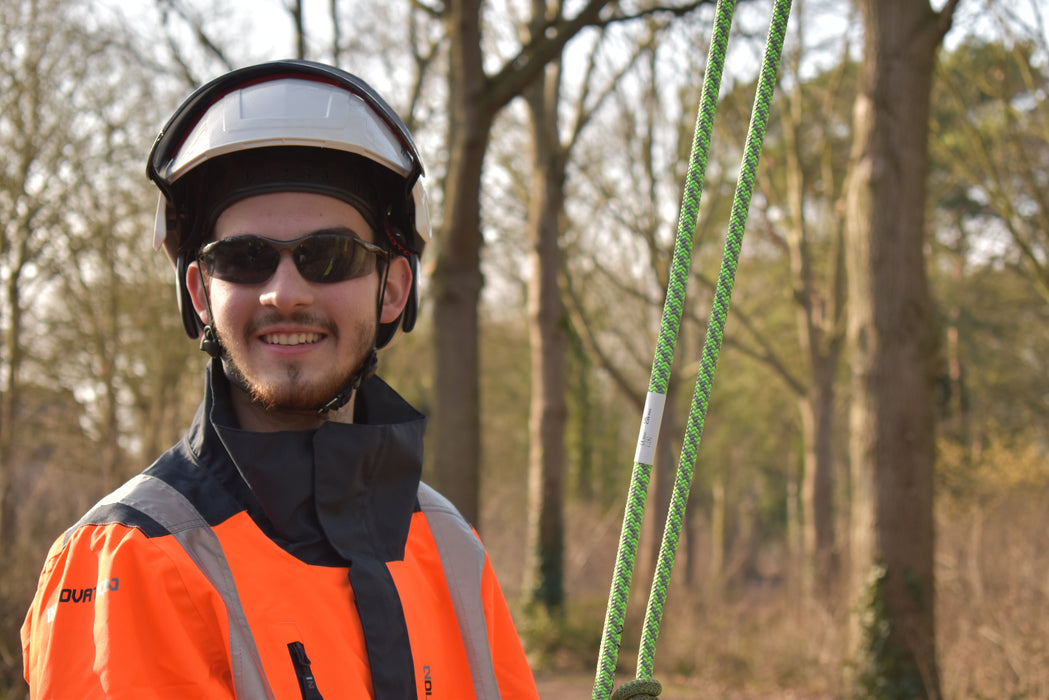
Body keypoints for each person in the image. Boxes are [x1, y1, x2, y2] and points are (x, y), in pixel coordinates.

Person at [21, 59, 539, 700]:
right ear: (201, 295)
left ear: (393, 289)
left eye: (330, 256)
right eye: (244, 259)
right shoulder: (129, 561)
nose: (284, 294)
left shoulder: (452, 549)